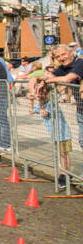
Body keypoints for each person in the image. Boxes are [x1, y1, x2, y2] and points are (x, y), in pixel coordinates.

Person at [42, 45, 83, 184]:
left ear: (71, 52)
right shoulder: (63, 68)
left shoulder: (80, 63)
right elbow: (49, 75)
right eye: (58, 57)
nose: (61, 58)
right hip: (81, 111)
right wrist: (36, 79)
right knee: (82, 141)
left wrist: (49, 80)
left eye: (63, 55)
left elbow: (67, 79)